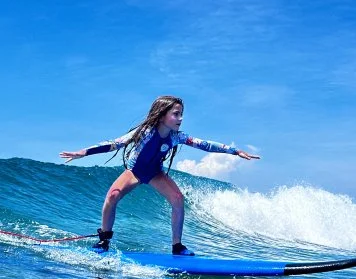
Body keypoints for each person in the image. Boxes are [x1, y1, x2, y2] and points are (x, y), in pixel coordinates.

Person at [59, 95, 260, 255]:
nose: (180, 119)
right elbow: (115, 143)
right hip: (134, 171)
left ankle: (177, 246)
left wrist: (235, 152)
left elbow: (205, 144)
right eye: (176, 114)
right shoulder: (144, 131)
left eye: (181, 114)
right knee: (112, 196)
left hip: (155, 173)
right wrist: (83, 152)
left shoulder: (176, 137)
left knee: (178, 199)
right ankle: (104, 239)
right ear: (162, 114)